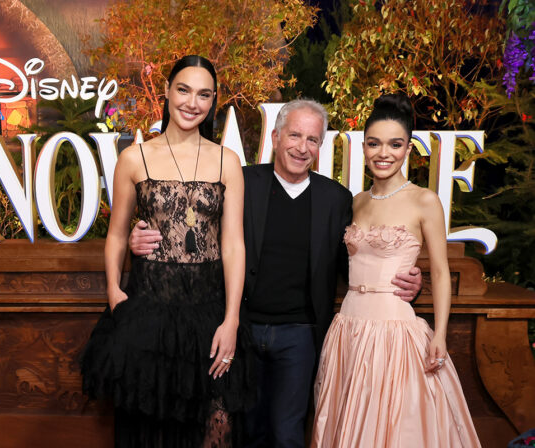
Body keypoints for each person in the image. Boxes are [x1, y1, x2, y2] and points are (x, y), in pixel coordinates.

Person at [131, 98, 423, 447]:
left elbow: (357, 263)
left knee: (287, 433)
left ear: (320, 145)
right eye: (294, 135)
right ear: (275, 136)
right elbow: (196, 225)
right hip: (243, 329)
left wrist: (407, 277)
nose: (302, 147)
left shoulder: (336, 199)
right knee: (247, 432)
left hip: (299, 335)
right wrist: (139, 234)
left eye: (312, 139)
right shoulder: (242, 182)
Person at [80, 55, 255, 447]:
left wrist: (231, 320)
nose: (193, 103)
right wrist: (113, 291)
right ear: (166, 91)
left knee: (217, 428)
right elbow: (116, 235)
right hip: (150, 311)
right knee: (151, 431)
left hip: (210, 315)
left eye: (204, 94)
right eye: (184, 90)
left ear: (213, 102)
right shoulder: (134, 158)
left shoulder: (227, 162)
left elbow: (233, 244)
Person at [311, 94, 481, 447]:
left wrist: (440, 333)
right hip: (348, 330)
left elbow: (438, 270)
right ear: (363, 147)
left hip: (395, 334)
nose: (383, 153)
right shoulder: (356, 201)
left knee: (393, 427)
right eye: (374, 144)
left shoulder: (425, 200)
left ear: (407, 149)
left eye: (394, 144)